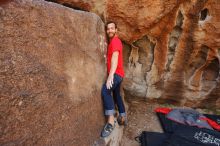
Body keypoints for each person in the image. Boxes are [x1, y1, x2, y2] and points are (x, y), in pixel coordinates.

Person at [101, 21, 127, 138]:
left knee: (106, 91)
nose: (110, 30)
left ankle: (110, 123)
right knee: (116, 95)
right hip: (120, 74)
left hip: (116, 74)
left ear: (116, 30)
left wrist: (111, 75)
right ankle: (122, 117)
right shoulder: (113, 42)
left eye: (112, 28)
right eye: (108, 29)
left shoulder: (116, 41)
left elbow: (115, 58)